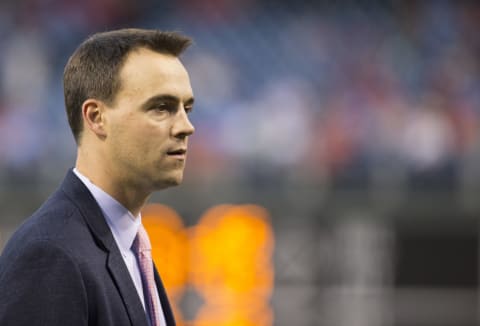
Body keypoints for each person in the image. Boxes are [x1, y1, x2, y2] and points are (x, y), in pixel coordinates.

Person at [0, 28, 195, 326]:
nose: (186, 126)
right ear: (95, 117)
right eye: (161, 107)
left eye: (187, 108)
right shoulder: (51, 254)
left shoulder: (128, 244)